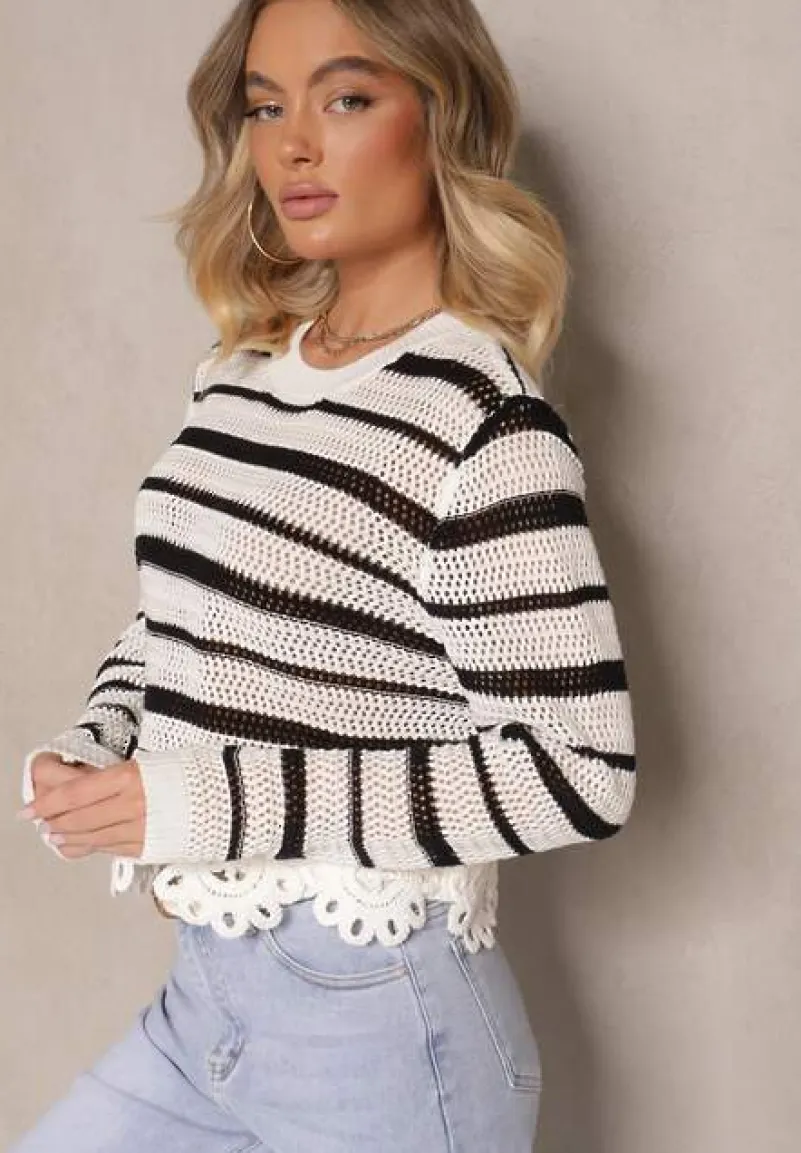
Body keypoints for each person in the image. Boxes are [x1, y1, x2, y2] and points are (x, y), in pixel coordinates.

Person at [12, 0, 637, 1149]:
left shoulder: (481, 420)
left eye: (346, 98)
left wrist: (202, 800)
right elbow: (173, 628)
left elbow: (579, 768)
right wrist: (101, 747)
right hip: (207, 1007)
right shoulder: (238, 377)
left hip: (385, 1038)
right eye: (266, 107)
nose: (294, 145)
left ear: (440, 117)